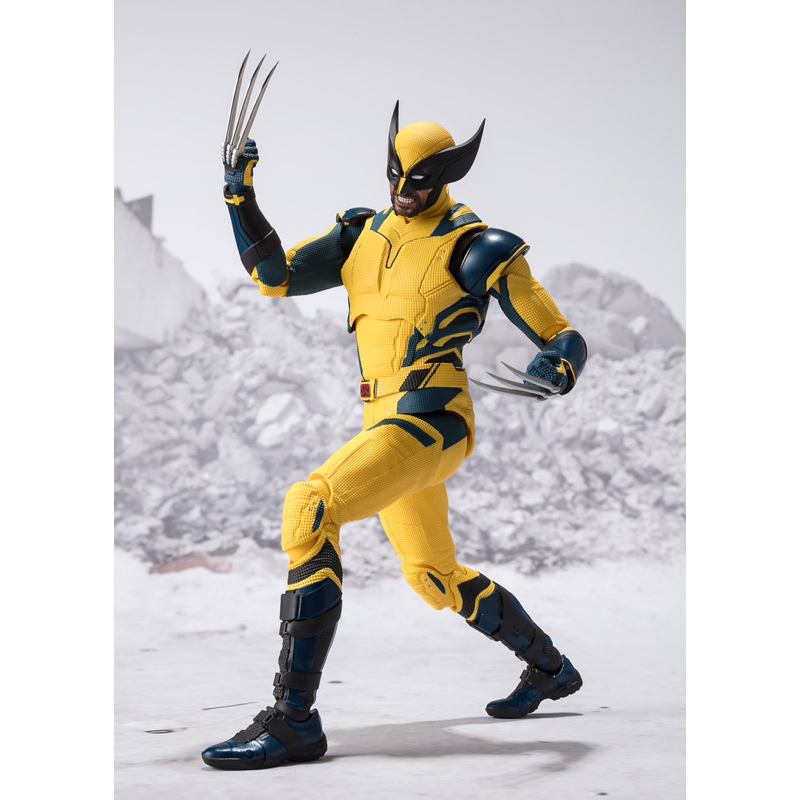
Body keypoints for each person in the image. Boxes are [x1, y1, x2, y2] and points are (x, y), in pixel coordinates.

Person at [201, 62, 588, 771]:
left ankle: (294, 721)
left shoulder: (476, 245)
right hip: (384, 422)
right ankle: (551, 669)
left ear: (448, 176)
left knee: (311, 507)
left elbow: (558, 332)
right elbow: (273, 276)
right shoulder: (361, 235)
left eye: (421, 179)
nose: (405, 189)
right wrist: (239, 197)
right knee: (432, 575)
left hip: (434, 421)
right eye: (397, 175)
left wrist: (557, 365)